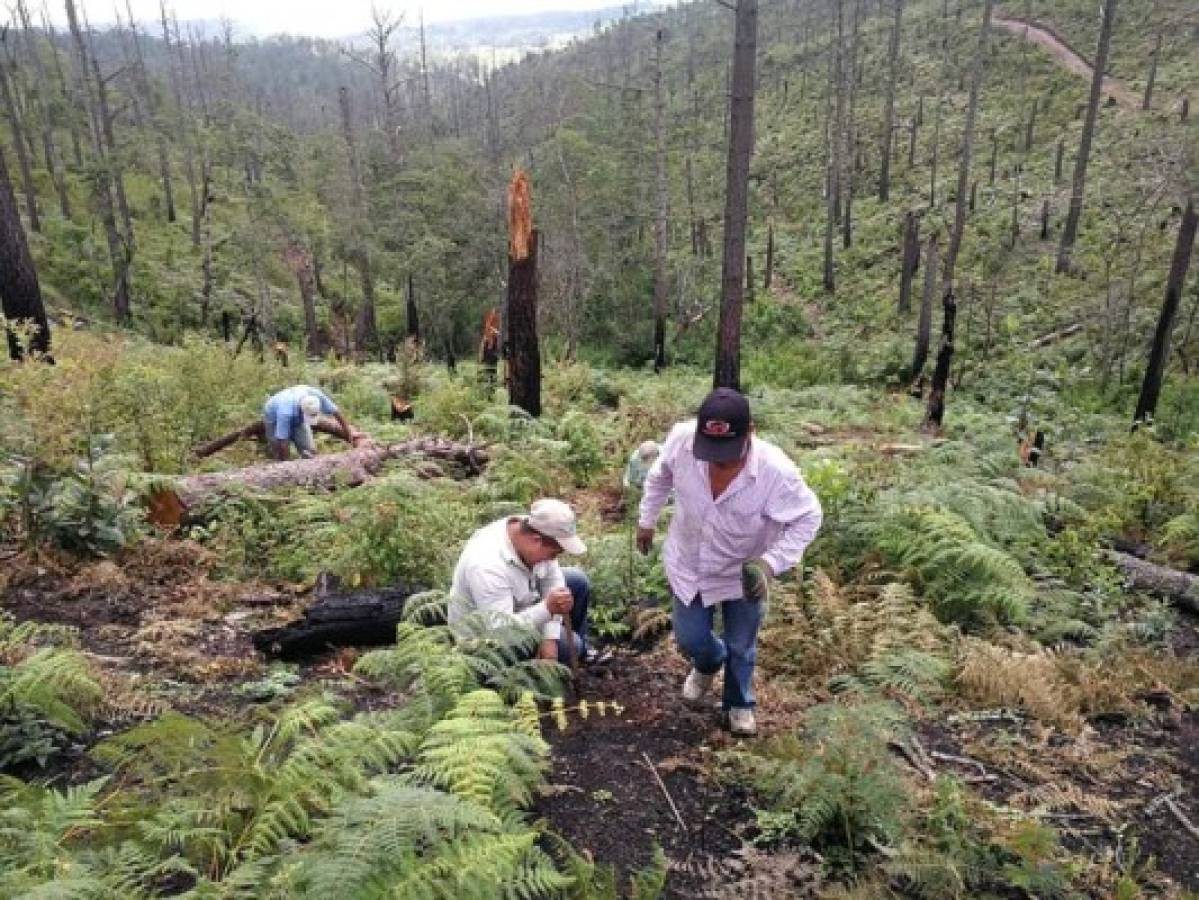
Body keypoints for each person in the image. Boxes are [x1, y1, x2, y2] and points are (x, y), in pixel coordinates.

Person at [637, 388, 822, 736]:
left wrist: (771, 563)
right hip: (689, 561)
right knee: (691, 638)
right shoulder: (681, 440)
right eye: (710, 451)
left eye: (726, 453)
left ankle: (739, 703)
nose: (717, 461)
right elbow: (659, 476)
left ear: (749, 431)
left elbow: (808, 517)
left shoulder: (775, 471)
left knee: (742, 643)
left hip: (744, 569)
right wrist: (647, 519)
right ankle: (707, 664)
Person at [449, 498, 592, 665]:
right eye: (554, 554)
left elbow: (554, 583)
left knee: (576, 581)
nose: (554, 559)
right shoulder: (486, 564)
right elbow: (500, 632)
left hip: (523, 607)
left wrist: (549, 638)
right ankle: (562, 658)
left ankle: (576, 658)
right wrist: (547, 608)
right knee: (571, 646)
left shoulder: (536, 528)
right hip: (487, 639)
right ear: (536, 541)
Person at [262, 384, 363, 461]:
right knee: (278, 448)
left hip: (294, 412)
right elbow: (282, 441)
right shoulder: (285, 412)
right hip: (273, 417)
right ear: (301, 410)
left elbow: (336, 413)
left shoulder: (316, 396)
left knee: (309, 451)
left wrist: (349, 434)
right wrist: (287, 465)